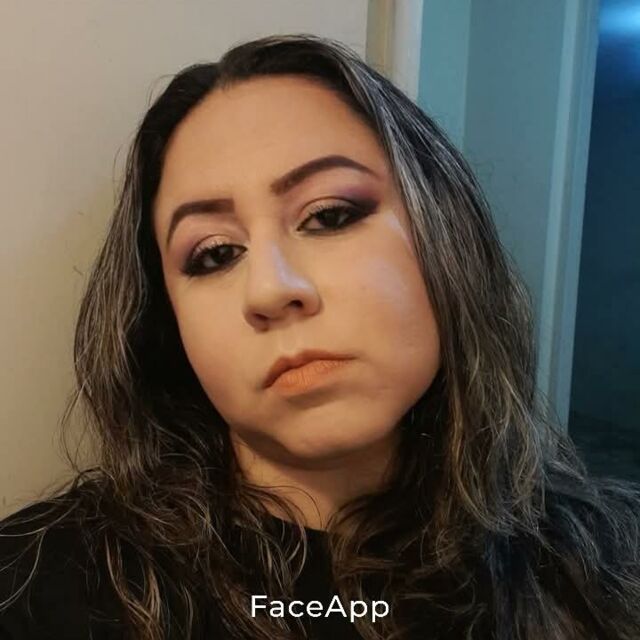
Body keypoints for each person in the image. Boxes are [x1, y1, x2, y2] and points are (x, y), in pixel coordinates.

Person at [0, 33, 639, 640]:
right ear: (168, 326)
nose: (270, 290)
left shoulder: (612, 566)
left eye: (329, 215)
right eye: (216, 254)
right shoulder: (34, 588)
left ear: (446, 236)